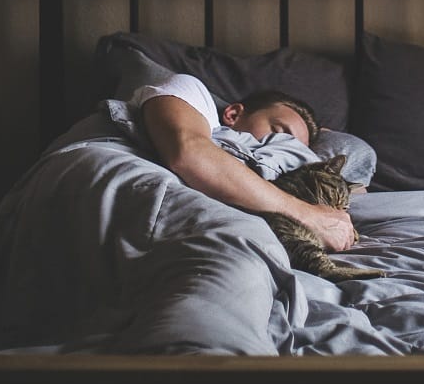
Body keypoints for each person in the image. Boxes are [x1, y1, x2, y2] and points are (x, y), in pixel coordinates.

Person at [136, 77, 356, 253]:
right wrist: (308, 215)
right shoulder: (192, 92)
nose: (284, 148)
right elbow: (189, 152)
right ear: (233, 113)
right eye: (279, 133)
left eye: (295, 148)